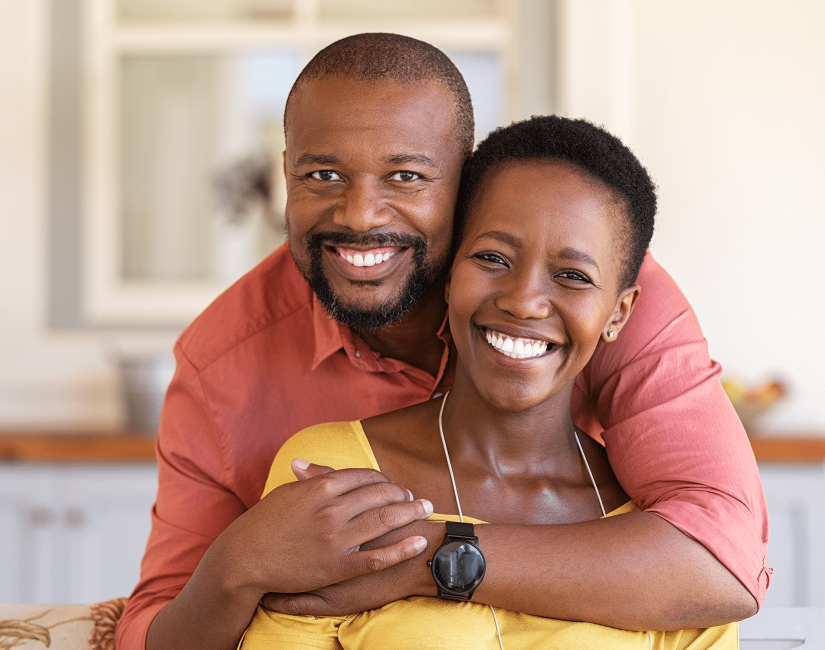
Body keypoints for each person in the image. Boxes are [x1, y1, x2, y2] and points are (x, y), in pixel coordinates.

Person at [116, 34, 767, 650]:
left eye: (406, 177)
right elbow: (156, 628)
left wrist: (427, 557)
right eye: (322, 175)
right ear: (286, 174)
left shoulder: (598, 297)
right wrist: (237, 565)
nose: (361, 214)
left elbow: (722, 560)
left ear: (465, 183)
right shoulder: (224, 365)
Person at [238, 114, 738, 650]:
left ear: (619, 313)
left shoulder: (671, 558)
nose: (523, 301)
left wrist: (431, 557)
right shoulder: (339, 474)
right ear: (450, 273)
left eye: (572, 276)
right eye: (492, 258)